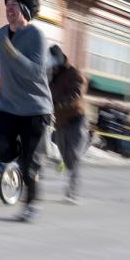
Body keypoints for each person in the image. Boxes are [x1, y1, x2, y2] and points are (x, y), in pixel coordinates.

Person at [0, 0, 54, 222]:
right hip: (8, 106)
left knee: (28, 166)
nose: (8, 10)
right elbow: (3, 70)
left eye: (13, 6)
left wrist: (14, 54)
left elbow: (36, 73)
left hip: (35, 108)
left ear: (24, 9)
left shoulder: (36, 35)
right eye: (6, 6)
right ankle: (26, 156)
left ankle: (31, 203)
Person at [48, 45, 89, 204]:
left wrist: (58, 104)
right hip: (60, 120)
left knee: (73, 155)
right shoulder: (51, 74)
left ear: (60, 59)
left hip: (75, 118)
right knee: (64, 155)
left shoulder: (74, 73)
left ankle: (71, 192)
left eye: (54, 62)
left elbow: (76, 94)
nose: (53, 65)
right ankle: (88, 141)